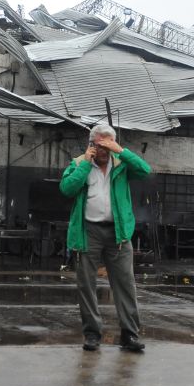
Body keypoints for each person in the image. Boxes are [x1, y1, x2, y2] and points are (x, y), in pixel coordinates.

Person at [59, 124, 151, 352]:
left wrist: (121, 150)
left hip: (118, 233)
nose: (104, 150)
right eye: (100, 145)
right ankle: (92, 334)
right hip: (88, 232)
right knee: (86, 285)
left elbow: (145, 170)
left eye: (108, 145)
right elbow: (66, 189)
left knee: (125, 285)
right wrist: (85, 164)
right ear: (91, 144)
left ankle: (129, 335)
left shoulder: (121, 164)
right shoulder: (79, 163)